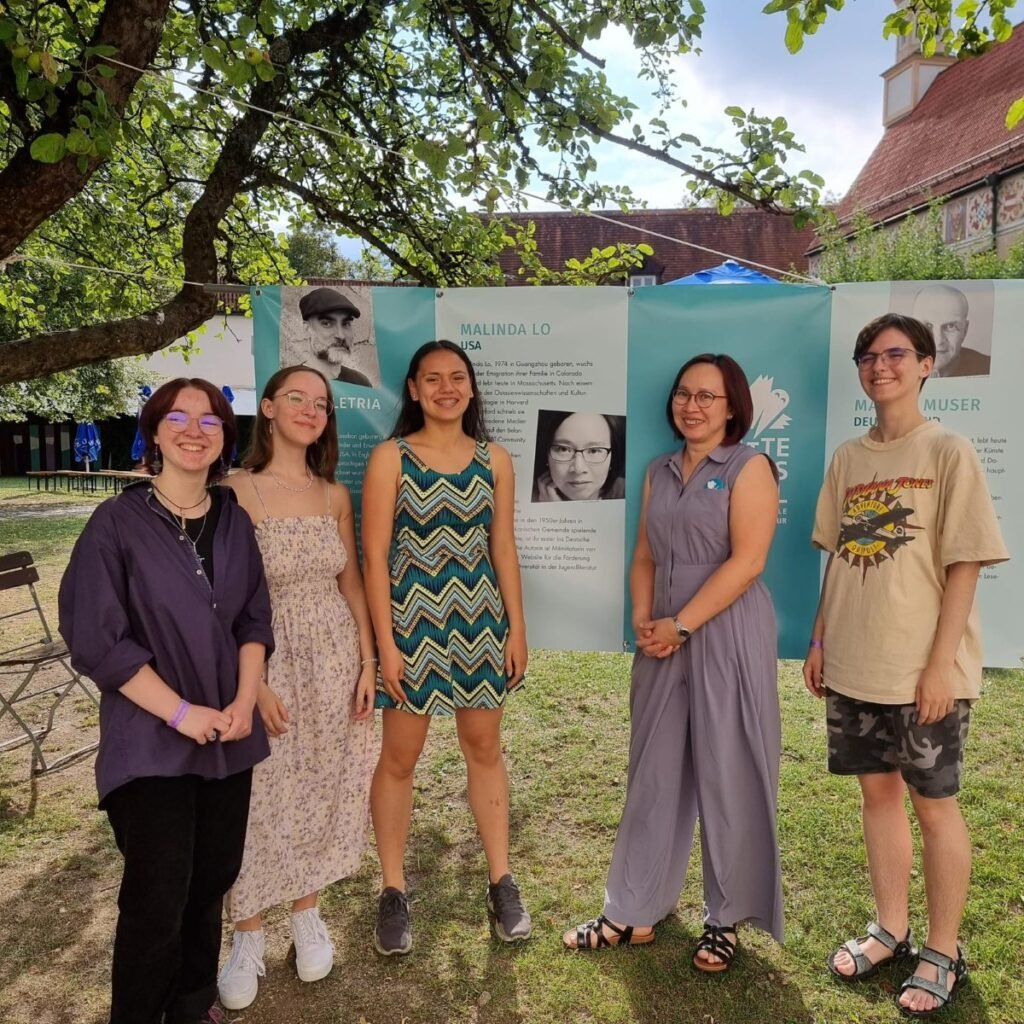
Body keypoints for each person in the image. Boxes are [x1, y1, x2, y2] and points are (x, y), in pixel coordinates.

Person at [804, 313, 1007, 1017]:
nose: (878, 365)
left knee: (935, 807)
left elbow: (965, 564)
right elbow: (835, 555)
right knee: (878, 798)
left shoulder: (948, 450)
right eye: (868, 356)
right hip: (854, 665)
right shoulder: (848, 459)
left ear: (926, 364)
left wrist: (939, 667)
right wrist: (820, 638)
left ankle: (942, 950)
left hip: (923, 672)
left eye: (895, 354)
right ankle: (891, 927)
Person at [58, 378, 274, 1024]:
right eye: (176, 418)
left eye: (209, 421)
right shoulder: (116, 524)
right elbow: (98, 637)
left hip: (229, 740)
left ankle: (191, 1005)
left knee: (210, 882)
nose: (193, 430)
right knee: (159, 894)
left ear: (224, 441)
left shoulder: (234, 521)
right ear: (154, 433)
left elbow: (254, 623)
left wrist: (243, 699)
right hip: (148, 744)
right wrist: (183, 713)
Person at [564, 353, 783, 971]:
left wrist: (683, 623)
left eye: (708, 396)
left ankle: (727, 918)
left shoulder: (750, 466)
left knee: (729, 768)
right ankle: (631, 909)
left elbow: (748, 562)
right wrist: (645, 620)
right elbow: (643, 557)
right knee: (653, 771)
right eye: (684, 394)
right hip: (660, 635)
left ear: (733, 406)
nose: (693, 405)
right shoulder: (659, 471)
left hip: (727, 630)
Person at [216, 366, 378, 1009]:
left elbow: (352, 584)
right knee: (255, 792)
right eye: (298, 399)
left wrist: (366, 662)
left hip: (334, 656)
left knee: (320, 778)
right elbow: (221, 599)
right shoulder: (235, 490)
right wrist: (250, 687)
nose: (311, 410)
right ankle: (246, 930)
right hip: (266, 659)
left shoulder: (334, 495)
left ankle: (306, 912)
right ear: (270, 409)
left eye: (322, 403)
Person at [362, 339, 530, 955]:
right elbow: (374, 557)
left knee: (484, 747)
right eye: (431, 379)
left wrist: (517, 626)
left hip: (481, 624)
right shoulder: (391, 458)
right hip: (411, 625)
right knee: (400, 757)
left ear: (471, 387)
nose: (445, 388)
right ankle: (392, 889)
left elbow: (502, 548)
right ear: (413, 390)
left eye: (457, 377)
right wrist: (386, 644)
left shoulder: (496, 460)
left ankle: (501, 880)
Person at [532, 410, 626, 501]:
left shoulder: (628, 492)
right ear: (547, 456)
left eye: (594, 451)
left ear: (612, 458)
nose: (578, 469)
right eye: (563, 449)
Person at [298, 286, 373, 387]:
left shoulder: (360, 382)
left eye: (346, 324)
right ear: (306, 328)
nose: (341, 336)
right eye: (327, 323)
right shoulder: (292, 381)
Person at [910, 284, 990, 378]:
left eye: (950, 326)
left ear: (965, 330)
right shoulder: (892, 366)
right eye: (927, 325)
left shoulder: (987, 366)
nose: (938, 341)